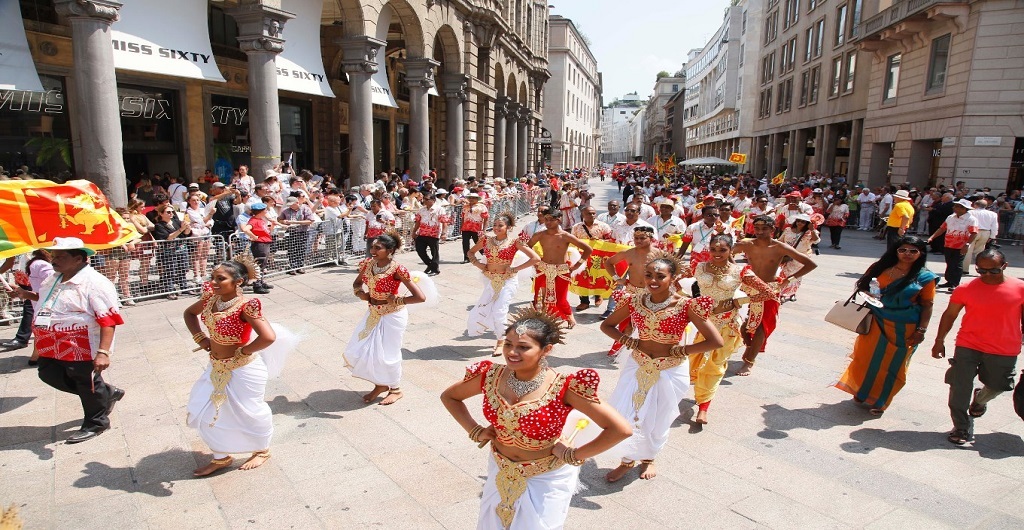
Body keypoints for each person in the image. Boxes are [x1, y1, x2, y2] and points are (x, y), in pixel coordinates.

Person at [441, 308, 632, 530]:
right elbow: (450, 397)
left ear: (546, 350)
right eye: (508, 344)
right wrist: (475, 430)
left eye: (523, 347)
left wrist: (574, 455)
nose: (512, 352)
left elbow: (620, 429)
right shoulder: (490, 375)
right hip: (500, 468)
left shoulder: (563, 386)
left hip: (546, 475)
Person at [601, 252, 724, 482]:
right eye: (648, 275)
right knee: (628, 413)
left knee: (658, 417)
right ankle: (626, 460)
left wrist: (682, 350)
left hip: (670, 368)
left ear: (673, 278)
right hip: (638, 364)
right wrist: (629, 341)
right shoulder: (636, 300)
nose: (653, 280)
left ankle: (649, 457)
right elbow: (607, 325)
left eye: (660, 276)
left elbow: (715, 341)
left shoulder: (686, 305)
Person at [10, 238, 125, 444]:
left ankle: (96, 422)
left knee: (86, 383)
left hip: (81, 344)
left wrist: (103, 352)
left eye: (61, 257)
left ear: (78, 259)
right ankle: (106, 393)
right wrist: (25, 294)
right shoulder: (54, 278)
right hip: (50, 344)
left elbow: (108, 320)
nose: (54, 260)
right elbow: (46, 298)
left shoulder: (95, 283)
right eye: (54, 256)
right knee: (48, 373)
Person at [183, 258, 290, 476]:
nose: (213, 282)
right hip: (215, 367)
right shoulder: (210, 299)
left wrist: (244, 351)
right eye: (212, 277)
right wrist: (201, 339)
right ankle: (221, 457)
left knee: (250, 411)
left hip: (244, 370)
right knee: (206, 410)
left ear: (238, 282)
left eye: (220, 279)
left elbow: (268, 337)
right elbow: (189, 314)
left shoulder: (246, 306)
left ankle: (262, 450)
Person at [931, 249, 1024, 445]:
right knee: (960, 386)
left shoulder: (1020, 288)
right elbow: (950, 314)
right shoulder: (966, 288)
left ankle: (979, 400)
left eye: (993, 271)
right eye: (982, 271)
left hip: (1004, 347)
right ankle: (960, 426)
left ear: (1005, 266)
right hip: (968, 344)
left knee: (999, 385)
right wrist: (939, 340)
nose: (987, 275)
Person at [835, 236, 937, 414]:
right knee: (865, 358)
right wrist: (869, 294)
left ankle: (881, 400)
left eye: (913, 251)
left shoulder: (925, 277)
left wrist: (921, 330)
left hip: (904, 327)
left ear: (921, 253)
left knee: (893, 365)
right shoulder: (880, 268)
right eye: (902, 250)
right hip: (876, 320)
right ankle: (862, 392)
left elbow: (927, 305)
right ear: (895, 251)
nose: (907, 254)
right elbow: (863, 286)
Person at [683, 235, 774, 424]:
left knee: (713, 366)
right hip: (701, 323)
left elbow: (768, 292)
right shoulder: (698, 266)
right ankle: (698, 395)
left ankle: (703, 408)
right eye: (713, 249)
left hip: (726, 325)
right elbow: (674, 280)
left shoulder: (740, 271)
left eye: (722, 250)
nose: (717, 254)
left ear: (731, 250)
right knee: (692, 362)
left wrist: (738, 302)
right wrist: (688, 300)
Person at [344, 232, 426, 406]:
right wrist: (360, 293)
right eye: (372, 247)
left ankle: (396, 389)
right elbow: (357, 283)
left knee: (389, 353)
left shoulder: (397, 269)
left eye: (377, 248)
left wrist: (397, 300)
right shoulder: (367, 264)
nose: (372, 250)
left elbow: (420, 297)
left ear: (390, 250)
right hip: (373, 313)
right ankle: (381, 384)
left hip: (393, 315)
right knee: (364, 349)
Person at [732, 215, 818, 375]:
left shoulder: (780, 247)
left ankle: (749, 362)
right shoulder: (747, 244)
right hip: (747, 288)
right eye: (757, 228)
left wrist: (788, 280)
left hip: (770, 289)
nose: (760, 232)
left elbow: (810, 264)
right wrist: (736, 270)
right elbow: (726, 253)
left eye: (764, 228)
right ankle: (750, 348)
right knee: (744, 325)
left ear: (772, 229)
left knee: (761, 327)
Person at [467, 212, 540, 356]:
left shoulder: (515, 242)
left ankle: (501, 342)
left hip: (508, 280)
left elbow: (535, 258)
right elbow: (470, 252)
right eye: (494, 225)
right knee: (483, 308)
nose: (496, 228)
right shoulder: (486, 240)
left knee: (500, 310)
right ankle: (502, 335)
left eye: (500, 225)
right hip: (491, 279)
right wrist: (478, 264)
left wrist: (515, 268)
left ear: (508, 227)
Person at [527, 210, 592, 328]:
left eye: (551, 219)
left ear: (559, 220)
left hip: (561, 271)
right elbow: (527, 247)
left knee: (561, 299)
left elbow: (588, 249)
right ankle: (543, 320)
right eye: (546, 219)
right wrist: (534, 261)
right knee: (539, 297)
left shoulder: (565, 236)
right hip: (543, 269)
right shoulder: (540, 235)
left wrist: (576, 266)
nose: (548, 222)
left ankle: (569, 316)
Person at [603, 226, 657, 356]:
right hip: (631, 292)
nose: (638, 241)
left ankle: (645, 350)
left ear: (650, 238)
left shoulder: (660, 255)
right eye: (636, 238)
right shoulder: (628, 253)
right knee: (625, 323)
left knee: (649, 324)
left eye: (642, 238)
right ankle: (621, 350)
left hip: (651, 294)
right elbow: (608, 263)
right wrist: (618, 279)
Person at [1, 251, 54, 358]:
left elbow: (54, 282)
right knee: (36, 317)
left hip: (38, 292)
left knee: (33, 313)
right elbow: (9, 262)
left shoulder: (39, 263)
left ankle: (25, 342)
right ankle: (36, 352)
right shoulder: (32, 260)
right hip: (27, 285)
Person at [927, 199, 978, 291]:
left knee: (957, 264)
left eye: (957, 206)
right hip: (948, 244)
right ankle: (949, 281)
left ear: (963, 209)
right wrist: (932, 237)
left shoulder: (971, 219)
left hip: (961, 246)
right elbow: (942, 228)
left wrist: (967, 244)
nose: (954, 207)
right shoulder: (950, 217)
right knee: (949, 263)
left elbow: (974, 233)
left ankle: (955, 283)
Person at [570, 206, 613, 310]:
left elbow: (612, 241)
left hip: (598, 257)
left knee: (596, 276)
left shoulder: (604, 226)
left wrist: (600, 241)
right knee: (582, 277)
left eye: (593, 213)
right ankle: (584, 301)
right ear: (583, 214)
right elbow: (573, 241)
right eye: (589, 213)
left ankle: (598, 295)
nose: (592, 215)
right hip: (582, 257)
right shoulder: (576, 227)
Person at [151, 204, 192, 300]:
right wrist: (181, 229)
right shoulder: (159, 225)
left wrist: (187, 228)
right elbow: (168, 237)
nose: (171, 214)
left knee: (183, 269)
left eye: (172, 212)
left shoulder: (176, 221)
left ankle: (184, 287)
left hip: (181, 249)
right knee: (170, 271)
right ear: (161, 214)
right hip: (168, 251)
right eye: (168, 212)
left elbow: (185, 234)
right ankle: (170, 290)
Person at [778, 213, 820, 302]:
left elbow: (816, 241)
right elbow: (780, 241)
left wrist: (812, 229)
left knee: (796, 276)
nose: (800, 223)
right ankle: (782, 293)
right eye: (798, 221)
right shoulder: (788, 230)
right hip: (787, 256)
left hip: (801, 258)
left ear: (807, 223)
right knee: (784, 274)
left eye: (803, 222)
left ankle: (791, 293)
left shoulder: (810, 232)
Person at [412, 193, 450, 276]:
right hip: (422, 233)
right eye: (424, 199)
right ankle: (430, 265)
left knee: (434, 252)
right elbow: (418, 221)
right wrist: (414, 231)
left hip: (434, 234)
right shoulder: (421, 210)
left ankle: (435, 269)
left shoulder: (439, 209)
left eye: (427, 199)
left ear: (433, 200)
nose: (424, 201)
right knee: (420, 250)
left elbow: (444, 222)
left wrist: (444, 233)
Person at [279, 196, 315, 274]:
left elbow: (310, 220)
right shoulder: (286, 210)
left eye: (292, 204)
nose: (290, 206)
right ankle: (293, 267)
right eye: (289, 205)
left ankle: (300, 266)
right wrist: (284, 221)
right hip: (291, 232)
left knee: (301, 249)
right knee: (291, 250)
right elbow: (279, 219)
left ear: (297, 202)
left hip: (303, 232)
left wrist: (296, 222)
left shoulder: (305, 209)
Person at [967, 199, 998, 267]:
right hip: (985, 232)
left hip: (973, 231)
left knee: (968, 250)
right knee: (980, 251)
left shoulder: (970, 212)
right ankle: (980, 267)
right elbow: (994, 226)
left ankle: (965, 268)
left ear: (976, 205)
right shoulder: (993, 214)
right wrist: (992, 236)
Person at [460, 193, 489, 263]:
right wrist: (461, 227)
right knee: (465, 243)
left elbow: (486, 218)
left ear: (477, 199)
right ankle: (467, 258)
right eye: (470, 198)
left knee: (478, 243)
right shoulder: (465, 206)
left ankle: (486, 256)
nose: (471, 199)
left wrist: (484, 229)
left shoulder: (482, 207)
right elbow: (463, 217)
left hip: (477, 228)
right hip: (465, 228)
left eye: (473, 198)